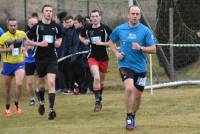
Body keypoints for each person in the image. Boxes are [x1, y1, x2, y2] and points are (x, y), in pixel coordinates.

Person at [108, 5, 156, 130]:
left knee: (138, 95)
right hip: (125, 65)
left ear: (140, 16)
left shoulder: (145, 31)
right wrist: (117, 53)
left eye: (137, 14)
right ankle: (128, 116)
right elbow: (110, 41)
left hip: (140, 67)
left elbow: (154, 49)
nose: (135, 16)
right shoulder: (120, 29)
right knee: (129, 89)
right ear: (128, 15)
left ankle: (133, 115)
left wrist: (141, 48)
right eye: (133, 13)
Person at [0, 18, 47, 117]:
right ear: (8, 26)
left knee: (19, 84)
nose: (13, 27)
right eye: (11, 26)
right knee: (8, 89)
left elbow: (28, 42)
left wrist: (39, 44)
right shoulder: (3, 37)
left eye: (15, 25)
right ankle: (8, 107)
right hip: (7, 65)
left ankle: (16, 104)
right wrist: (9, 49)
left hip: (19, 63)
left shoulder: (21, 34)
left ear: (17, 25)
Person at [27, 4, 62, 120]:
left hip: (52, 58)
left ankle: (51, 109)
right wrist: (39, 44)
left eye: (51, 11)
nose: (49, 13)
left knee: (51, 82)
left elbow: (59, 37)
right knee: (41, 85)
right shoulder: (36, 27)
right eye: (47, 11)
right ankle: (41, 102)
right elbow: (27, 41)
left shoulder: (56, 26)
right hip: (40, 59)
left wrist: (58, 42)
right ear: (43, 12)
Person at [79, 10, 112, 112]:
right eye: (92, 16)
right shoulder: (87, 28)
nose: (94, 18)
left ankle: (99, 96)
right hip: (92, 57)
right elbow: (80, 35)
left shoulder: (106, 28)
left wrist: (102, 43)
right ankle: (97, 101)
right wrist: (84, 41)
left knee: (101, 82)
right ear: (90, 18)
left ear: (100, 17)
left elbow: (112, 42)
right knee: (96, 77)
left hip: (104, 58)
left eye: (96, 16)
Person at [24, 17, 38, 106]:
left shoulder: (40, 34)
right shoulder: (25, 35)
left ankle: (40, 94)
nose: (33, 26)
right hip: (29, 61)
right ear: (28, 25)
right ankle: (32, 98)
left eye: (35, 24)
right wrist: (27, 48)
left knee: (41, 80)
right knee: (29, 83)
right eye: (31, 24)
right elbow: (23, 48)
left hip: (40, 60)